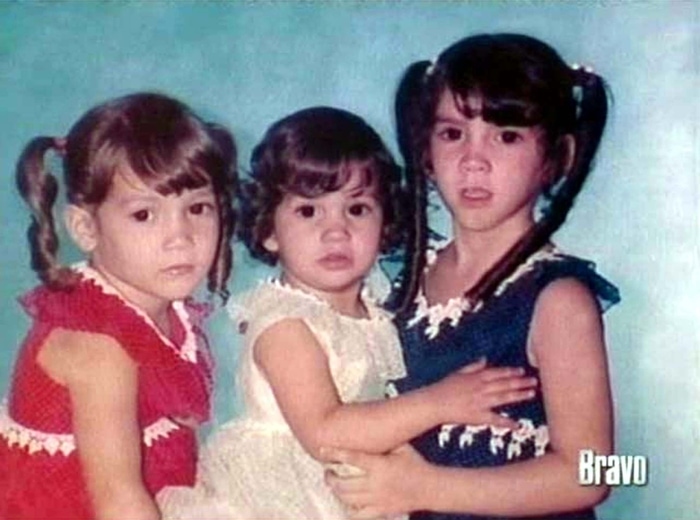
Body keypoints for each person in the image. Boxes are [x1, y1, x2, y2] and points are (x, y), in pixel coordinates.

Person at [157, 106, 537, 520]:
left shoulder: (376, 307)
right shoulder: (285, 322)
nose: (335, 230)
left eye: (356, 209)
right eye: (308, 211)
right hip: (282, 499)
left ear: (385, 221)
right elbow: (325, 431)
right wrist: (439, 403)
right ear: (269, 230)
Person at [324, 33, 621, 520]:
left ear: (557, 158)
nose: (472, 160)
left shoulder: (557, 299)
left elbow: (604, 472)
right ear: (426, 149)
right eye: (453, 133)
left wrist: (428, 488)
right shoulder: (396, 280)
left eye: (506, 136)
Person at [0, 92, 237, 520]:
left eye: (198, 208)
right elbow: (118, 501)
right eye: (145, 215)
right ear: (85, 228)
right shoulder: (97, 345)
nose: (180, 236)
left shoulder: (154, 305)